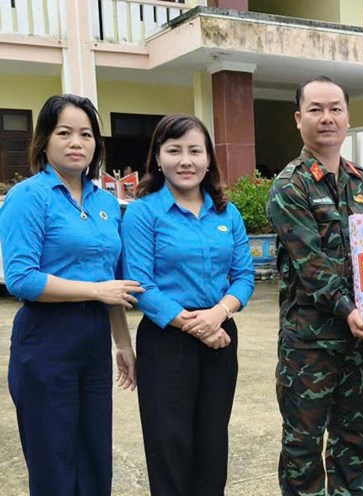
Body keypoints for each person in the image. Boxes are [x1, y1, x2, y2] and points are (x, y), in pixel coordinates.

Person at [0, 94, 141, 495]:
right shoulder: (28, 197)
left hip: (94, 342)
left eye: (85, 134)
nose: (76, 142)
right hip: (45, 341)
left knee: (95, 456)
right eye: (64, 133)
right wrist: (97, 290)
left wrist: (123, 344)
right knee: (54, 461)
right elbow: (22, 279)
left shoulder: (106, 203)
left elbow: (114, 283)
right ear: (44, 140)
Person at [121, 114, 255, 495]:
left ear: (209, 159)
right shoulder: (144, 213)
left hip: (221, 338)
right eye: (174, 150)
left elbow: (244, 276)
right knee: (169, 444)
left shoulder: (226, 213)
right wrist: (194, 325)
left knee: (212, 443)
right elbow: (140, 284)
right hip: (166, 340)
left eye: (195, 151)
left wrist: (217, 315)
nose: (186, 160)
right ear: (158, 158)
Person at [267, 76, 363, 496]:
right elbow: (311, 264)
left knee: (355, 448)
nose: (326, 118)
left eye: (335, 108)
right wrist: (350, 309)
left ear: (348, 117)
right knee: (302, 451)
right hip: (309, 348)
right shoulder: (290, 186)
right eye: (315, 109)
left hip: (359, 345)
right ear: (299, 119)